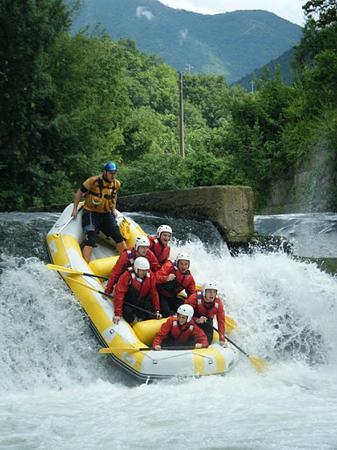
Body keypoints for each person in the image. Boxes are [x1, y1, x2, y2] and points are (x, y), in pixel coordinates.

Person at [71, 161, 127, 263]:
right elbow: (79, 192)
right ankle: (85, 266)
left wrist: (113, 209)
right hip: (91, 213)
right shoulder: (93, 181)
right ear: (105, 172)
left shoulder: (116, 184)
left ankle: (127, 262)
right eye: (111, 173)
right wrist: (74, 209)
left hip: (106, 214)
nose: (113, 175)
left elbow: (114, 195)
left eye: (114, 173)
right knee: (91, 239)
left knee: (118, 237)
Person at [112, 257, 161, 325]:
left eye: (146, 270)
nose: (144, 273)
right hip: (127, 301)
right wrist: (117, 314)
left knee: (149, 314)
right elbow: (119, 294)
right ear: (136, 269)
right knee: (129, 315)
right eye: (142, 270)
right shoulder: (126, 276)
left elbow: (154, 293)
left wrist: (157, 310)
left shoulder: (150, 276)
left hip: (140, 300)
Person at [155, 252, 196, 317]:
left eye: (186, 264)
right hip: (160, 294)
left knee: (185, 307)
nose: (183, 267)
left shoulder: (189, 278)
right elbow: (156, 278)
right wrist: (166, 278)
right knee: (166, 311)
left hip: (171, 297)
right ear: (177, 264)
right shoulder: (169, 266)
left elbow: (192, 293)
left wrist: (190, 304)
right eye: (181, 264)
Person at [186, 282, 226, 347]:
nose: (212, 294)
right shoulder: (194, 298)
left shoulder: (218, 303)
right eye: (209, 292)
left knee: (208, 341)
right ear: (204, 292)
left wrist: (222, 338)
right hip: (192, 319)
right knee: (188, 337)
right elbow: (184, 315)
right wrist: (197, 320)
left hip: (207, 322)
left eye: (214, 292)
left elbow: (221, 321)